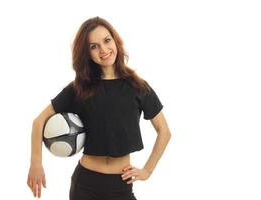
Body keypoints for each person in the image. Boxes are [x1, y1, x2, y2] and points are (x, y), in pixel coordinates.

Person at [27, 16, 171, 200]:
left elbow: (164, 131)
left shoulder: (138, 86)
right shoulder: (79, 88)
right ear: (87, 53)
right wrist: (36, 164)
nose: (103, 49)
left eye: (107, 40)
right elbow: (39, 121)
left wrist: (147, 170)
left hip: (121, 186)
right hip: (85, 185)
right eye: (94, 46)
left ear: (115, 40)